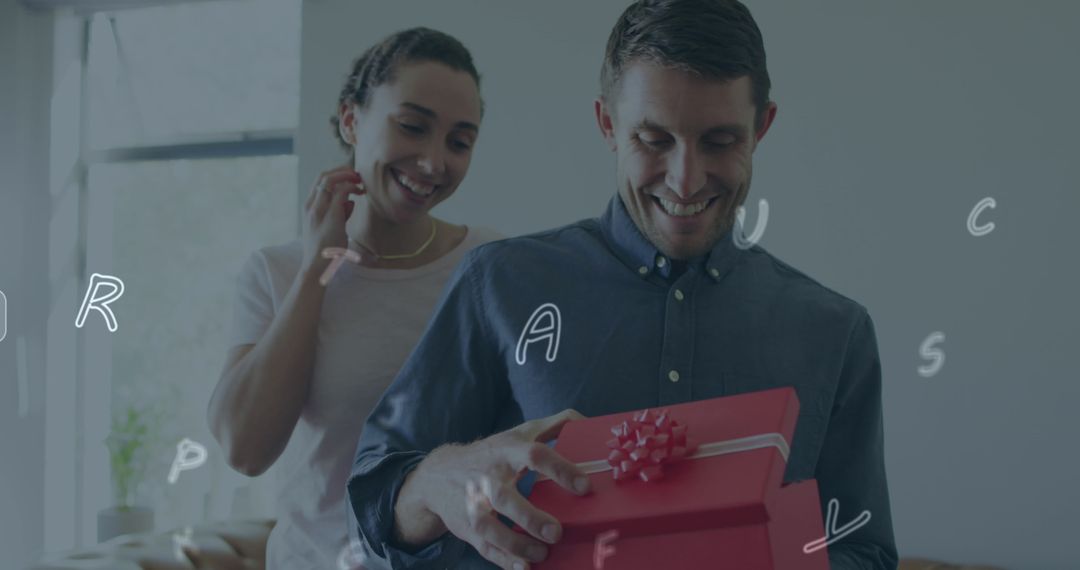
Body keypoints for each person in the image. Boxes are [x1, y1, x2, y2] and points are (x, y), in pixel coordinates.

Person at [347, 1, 898, 569]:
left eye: (720, 141)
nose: (685, 179)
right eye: (654, 139)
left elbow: (865, 550)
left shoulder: (836, 333)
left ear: (761, 127)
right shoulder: (499, 282)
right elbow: (370, 498)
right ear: (608, 123)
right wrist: (433, 481)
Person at [207, 27, 501, 570]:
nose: (434, 163)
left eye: (459, 142)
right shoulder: (276, 272)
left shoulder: (486, 266)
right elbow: (245, 449)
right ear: (351, 120)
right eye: (412, 127)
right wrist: (321, 264)